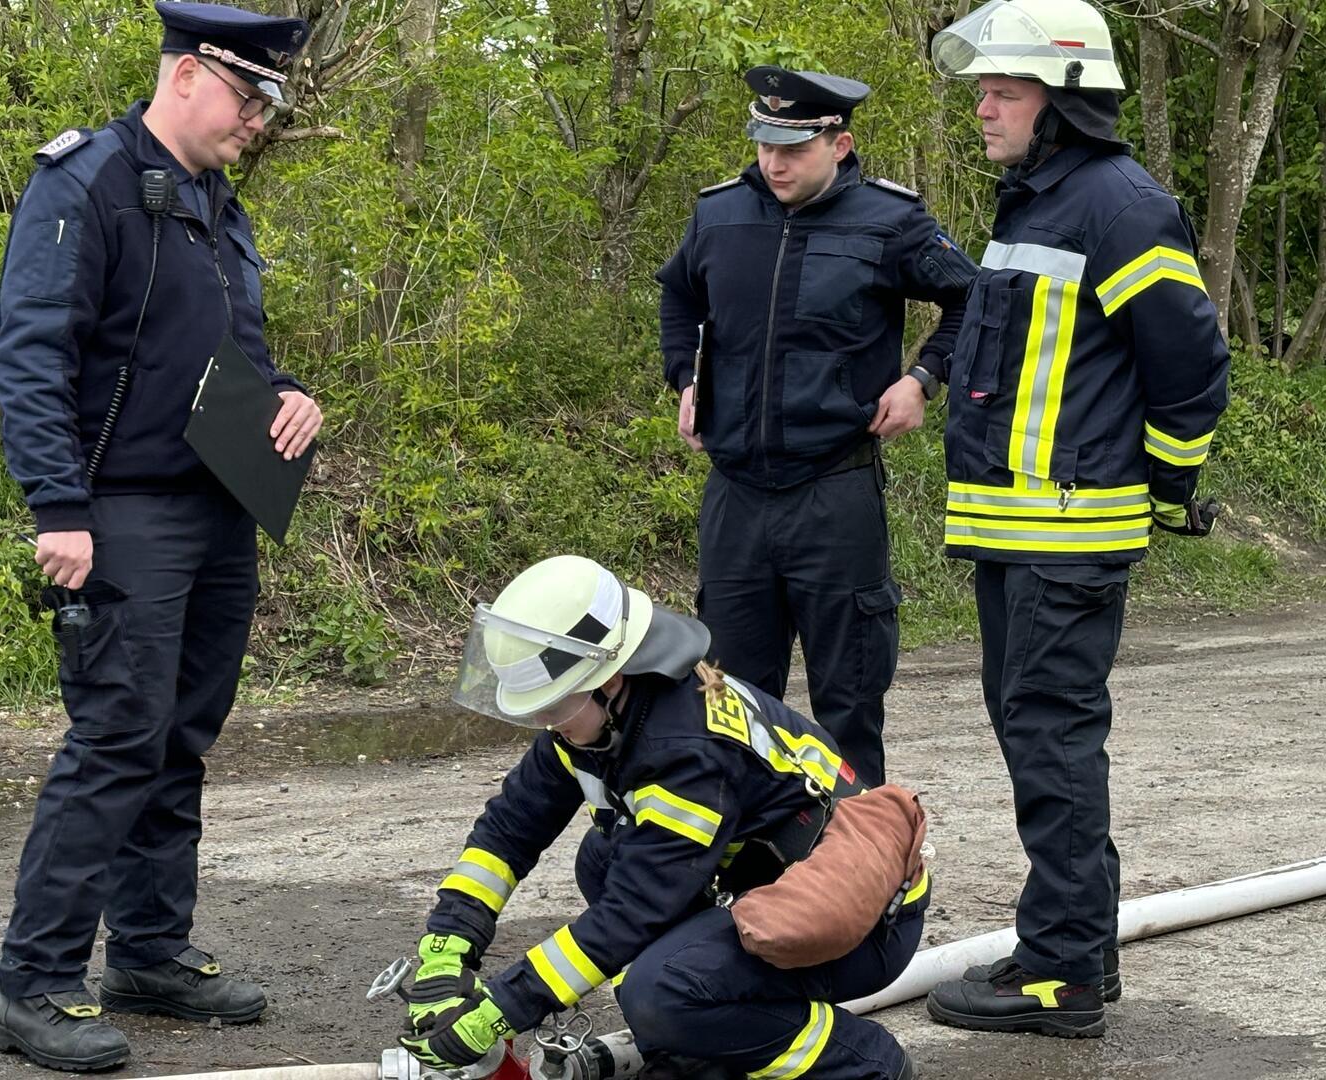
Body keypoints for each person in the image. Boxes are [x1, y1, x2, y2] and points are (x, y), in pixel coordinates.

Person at [0, 2, 323, 1070]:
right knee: (116, 741)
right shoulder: (85, 182)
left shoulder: (216, 201)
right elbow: (32, 354)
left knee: (182, 737)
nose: (259, 119)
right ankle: (34, 983)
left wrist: (289, 398)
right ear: (185, 75)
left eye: (269, 103)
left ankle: (148, 953)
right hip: (120, 510)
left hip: (222, 505)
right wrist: (59, 508)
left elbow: (226, 349)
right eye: (247, 95)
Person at [919, 0, 1229, 1039]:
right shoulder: (1039, 202)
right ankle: (1079, 943)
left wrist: (1164, 477)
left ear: (1065, 99)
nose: (983, 110)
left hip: (1068, 533)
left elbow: (1190, 363)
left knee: (1051, 745)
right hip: (1017, 533)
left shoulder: (1120, 206)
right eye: (982, 91)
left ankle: (1060, 978)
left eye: (1002, 91)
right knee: (1037, 739)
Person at [397, 555, 926, 1080]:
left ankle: (863, 1062)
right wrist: (448, 946)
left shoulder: (685, 753)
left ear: (609, 677)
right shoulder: (605, 717)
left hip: (860, 925)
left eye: (553, 706)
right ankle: (699, 1053)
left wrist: (502, 1007)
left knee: (662, 991)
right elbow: (509, 830)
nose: (543, 722)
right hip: (769, 881)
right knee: (601, 858)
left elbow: (632, 913)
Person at [656, 66, 977, 788]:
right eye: (766, 145)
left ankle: (861, 879)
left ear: (840, 143)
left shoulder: (890, 222)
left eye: (794, 148)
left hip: (835, 494)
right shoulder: (719, 216)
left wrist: (923, 378)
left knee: (849, 704)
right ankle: (746, 877)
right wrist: (685, 377)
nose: (774, 163)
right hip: (736, 496)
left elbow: (975, 301)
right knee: (727, 702)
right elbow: (678, 297)